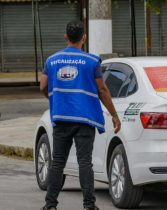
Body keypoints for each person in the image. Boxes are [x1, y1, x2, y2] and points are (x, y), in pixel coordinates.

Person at [40, 20, 121, 210]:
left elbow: (43, 86)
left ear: (66, 37)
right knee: (85, 161)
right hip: (85, 119)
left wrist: (54, 97)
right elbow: (102, 90)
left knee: (57, 161)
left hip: (61, 117)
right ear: (83, 37)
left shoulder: (52, 60)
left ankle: (50, 205)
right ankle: (89, 205)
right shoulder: (92, 61)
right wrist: (114, 114)